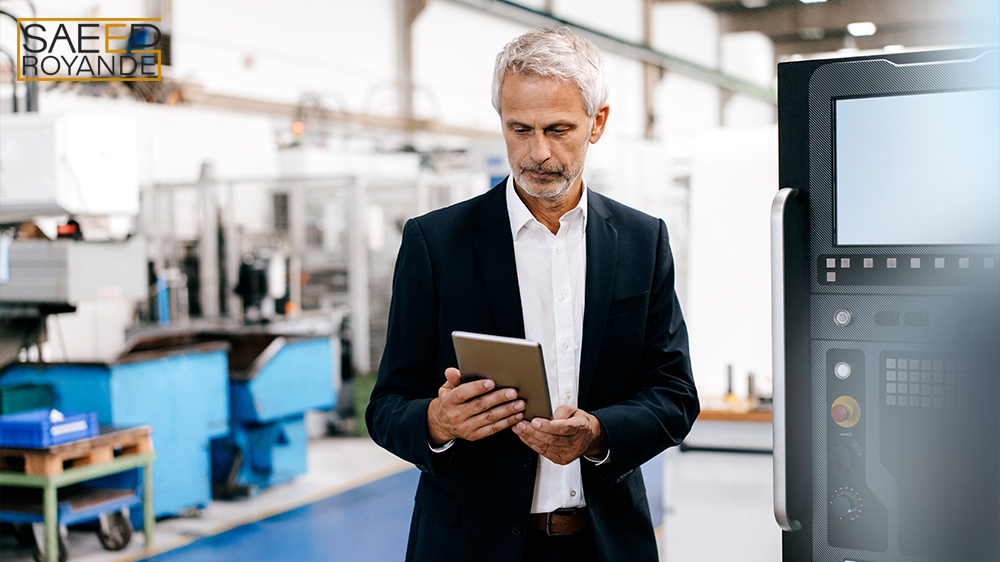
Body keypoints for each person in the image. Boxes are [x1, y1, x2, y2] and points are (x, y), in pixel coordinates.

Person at [366, 27, 699, 562]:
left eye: (559, 129)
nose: (537, 152)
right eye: (519, 129)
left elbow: (675, 394)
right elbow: (386, 406)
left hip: (604, 543)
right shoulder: (436, 244)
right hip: (470, 545)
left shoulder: (642, 241)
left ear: (598, 123)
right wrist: (438, 421)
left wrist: (597, 433)